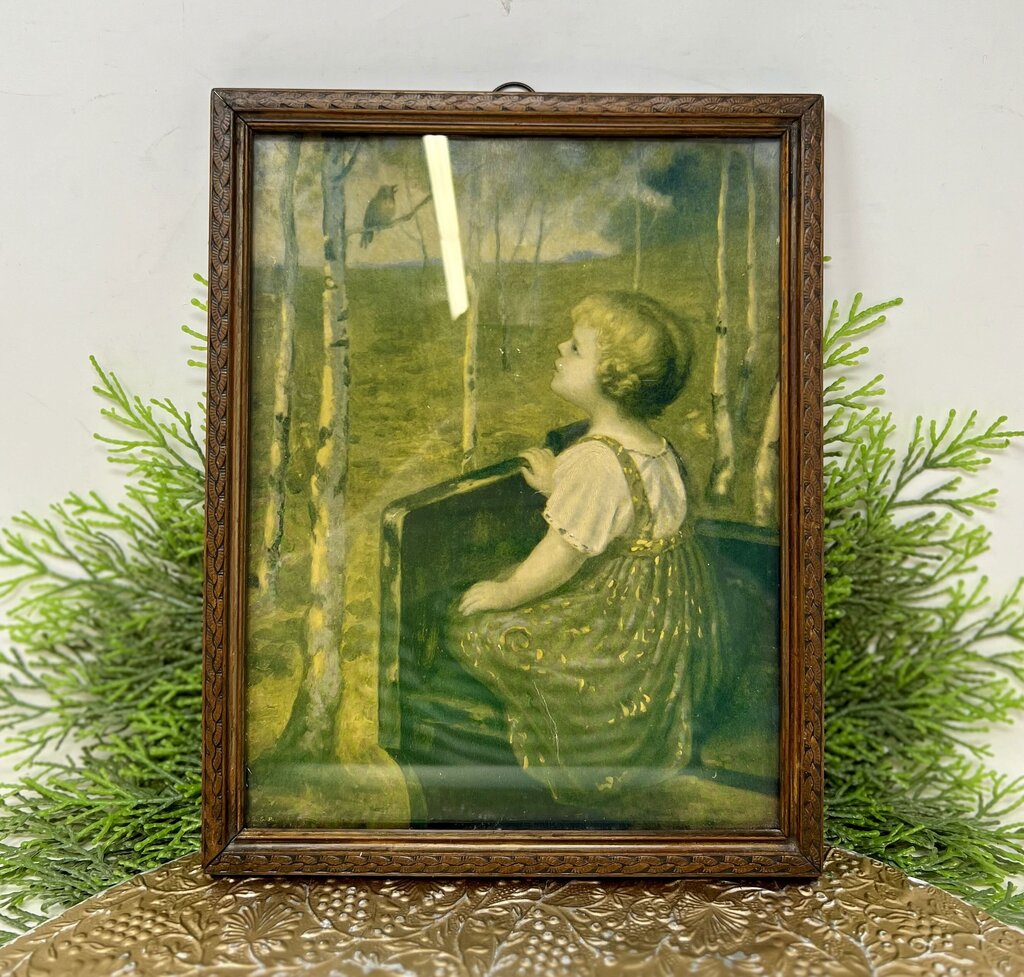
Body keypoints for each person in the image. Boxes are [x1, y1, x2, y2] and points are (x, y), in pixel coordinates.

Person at [448, 291, 721, 805]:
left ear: (613, 378)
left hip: (619, 621)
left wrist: (507, 593)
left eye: (575, 348)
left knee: (481, 630)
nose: (559, 348)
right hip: (666, 617)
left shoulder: (595, 461)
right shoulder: (654, 448)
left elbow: (561, 557)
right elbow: (621, 513)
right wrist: (560, 486)